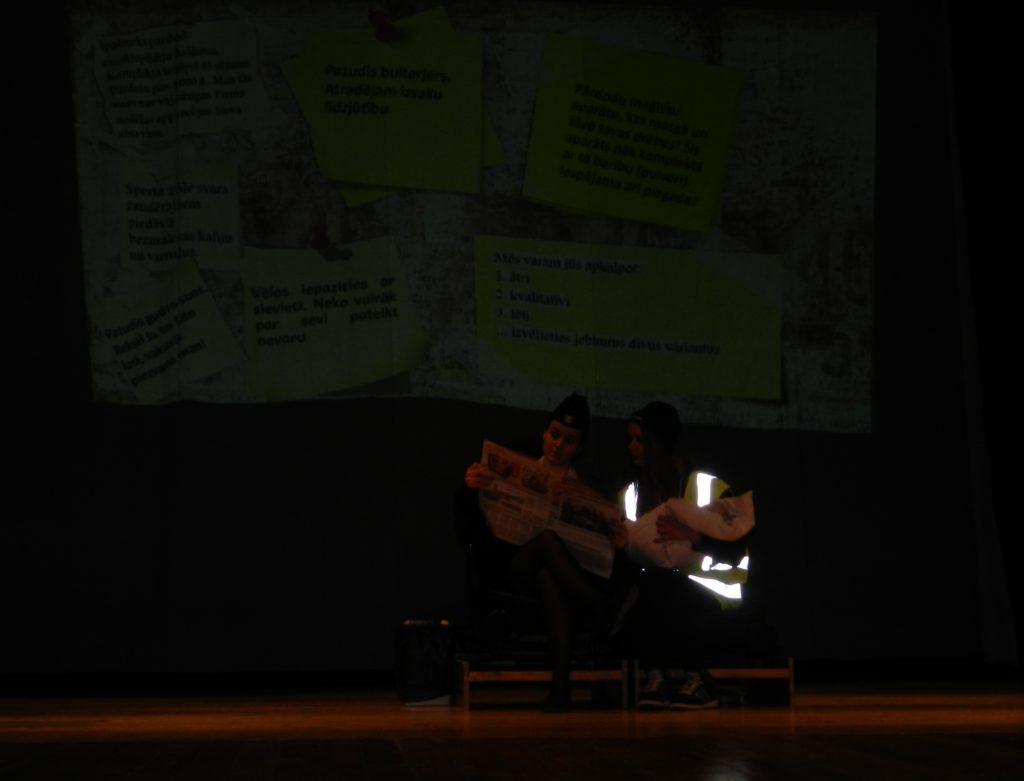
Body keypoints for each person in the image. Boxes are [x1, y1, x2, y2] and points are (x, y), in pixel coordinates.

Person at [454, 393, 622, 712]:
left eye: (569, 441)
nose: (558, 445)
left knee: (550, 577)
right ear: (544, 433)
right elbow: (469, 528)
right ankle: (601, 606)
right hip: (516, 571)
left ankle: (560, 691)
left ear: (579, 447)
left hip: (561, 576)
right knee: (546, 540)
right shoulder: (520, 468)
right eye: (554, 434)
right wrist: (469, 487)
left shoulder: (585, 486)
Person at [613, 401, 746, 710]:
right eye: (629, 439)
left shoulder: (707, 486)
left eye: (640, 439)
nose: (632, 447)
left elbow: (736, 548)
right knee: (646, 590)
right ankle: (657, 677)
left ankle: (696, 679)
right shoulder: (629, 494)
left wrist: (694, 537)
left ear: (659, 443)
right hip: (657, 590)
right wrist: (622, 547)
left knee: (661, 586)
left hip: (711, 592)